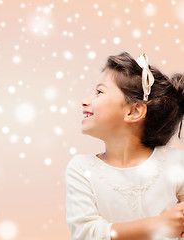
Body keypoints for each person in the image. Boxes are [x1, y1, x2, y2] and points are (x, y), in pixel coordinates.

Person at [66, 52, 184, 240]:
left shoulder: (176, 163)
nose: (85, 101)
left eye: (99, 92)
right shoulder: (82, 169)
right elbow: (85, 233)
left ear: (133, 111)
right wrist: (157, 225)